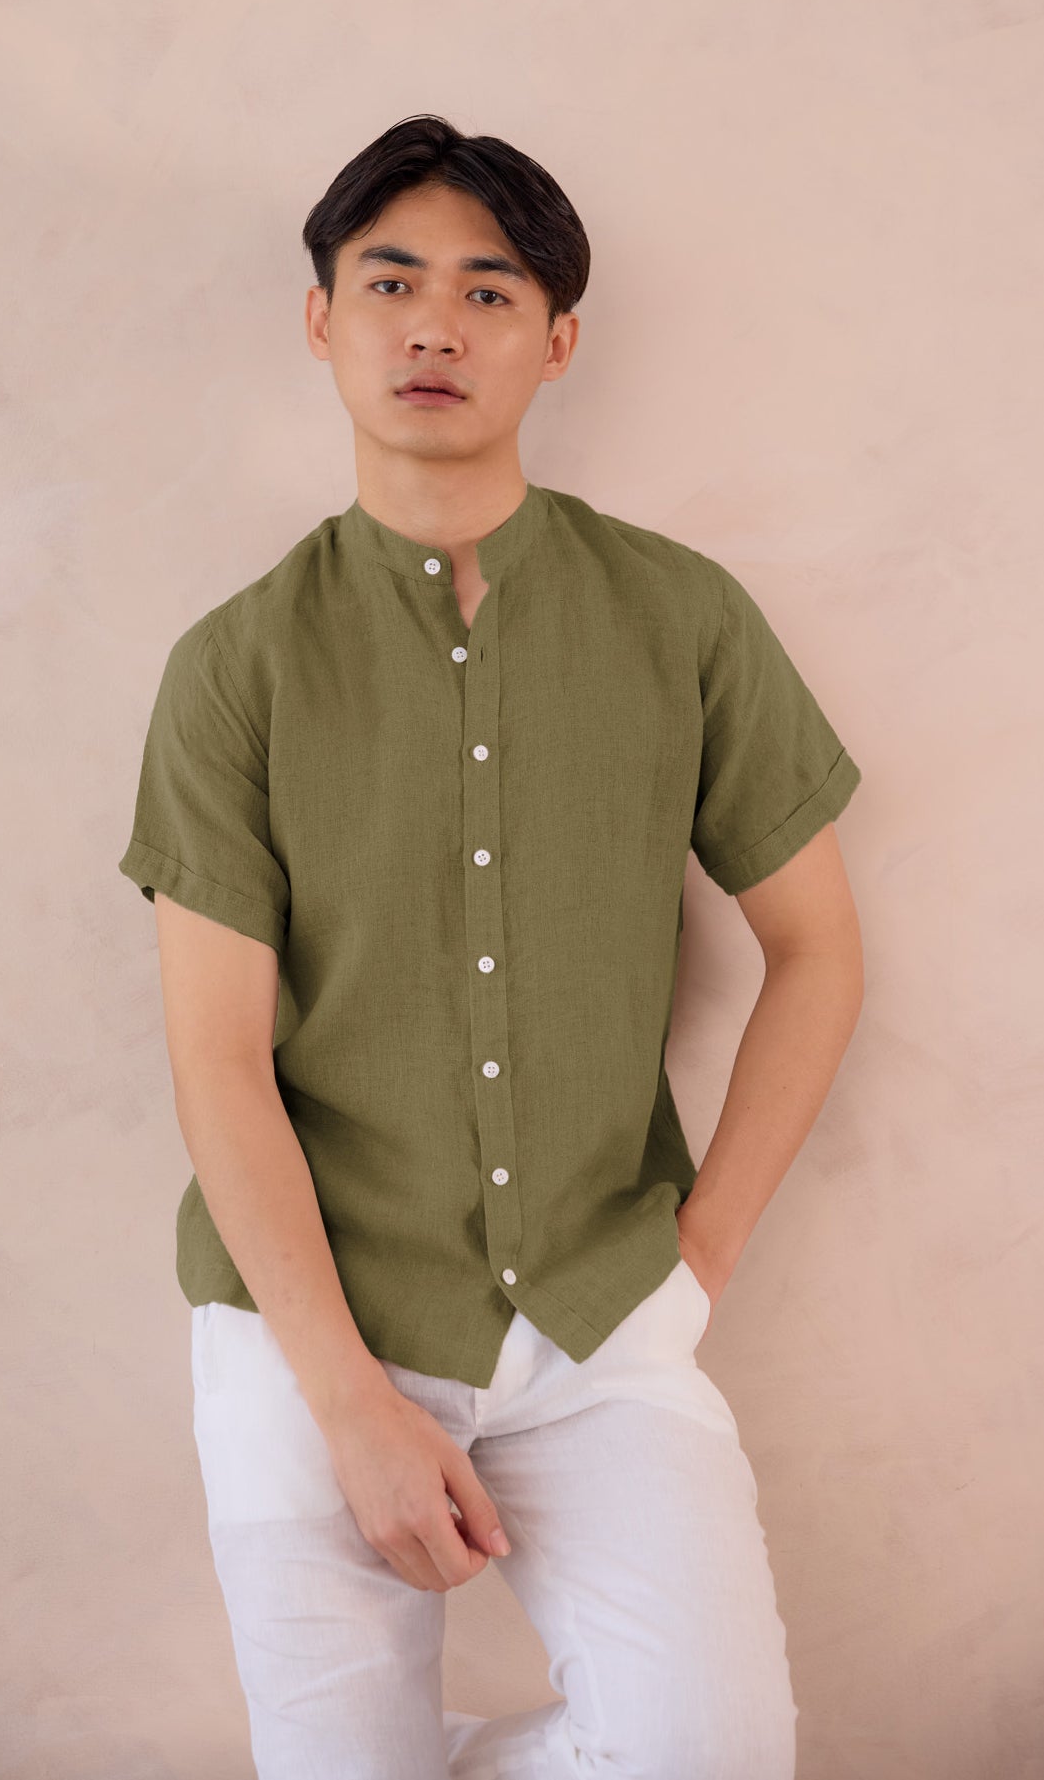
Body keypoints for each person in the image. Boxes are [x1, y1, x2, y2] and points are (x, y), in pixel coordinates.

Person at [118, 112, 864, 1779]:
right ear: (321, 318)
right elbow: (216, 1058)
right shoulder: (233, 667)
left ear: (556, 339)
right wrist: (348, 1402)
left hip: (599, 1315)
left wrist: (697, 1259)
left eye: (488, 289)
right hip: (303, 1325)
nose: (434, 326)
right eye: (390, 282)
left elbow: (816, 947)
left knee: (708, 1754)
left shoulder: (680, 617)